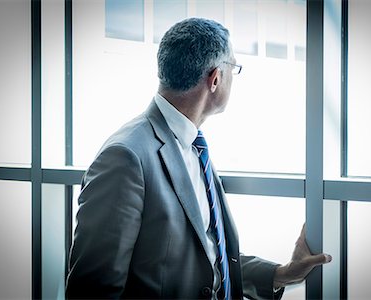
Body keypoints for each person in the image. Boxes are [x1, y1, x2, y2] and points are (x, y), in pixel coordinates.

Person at [65, 17, 331, 299]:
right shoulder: (125, 157)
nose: (233, 77)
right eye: (234, 69)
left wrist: (281, 274)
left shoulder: (193, 145)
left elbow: (204, 257)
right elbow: (92, 289)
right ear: (215, 78)